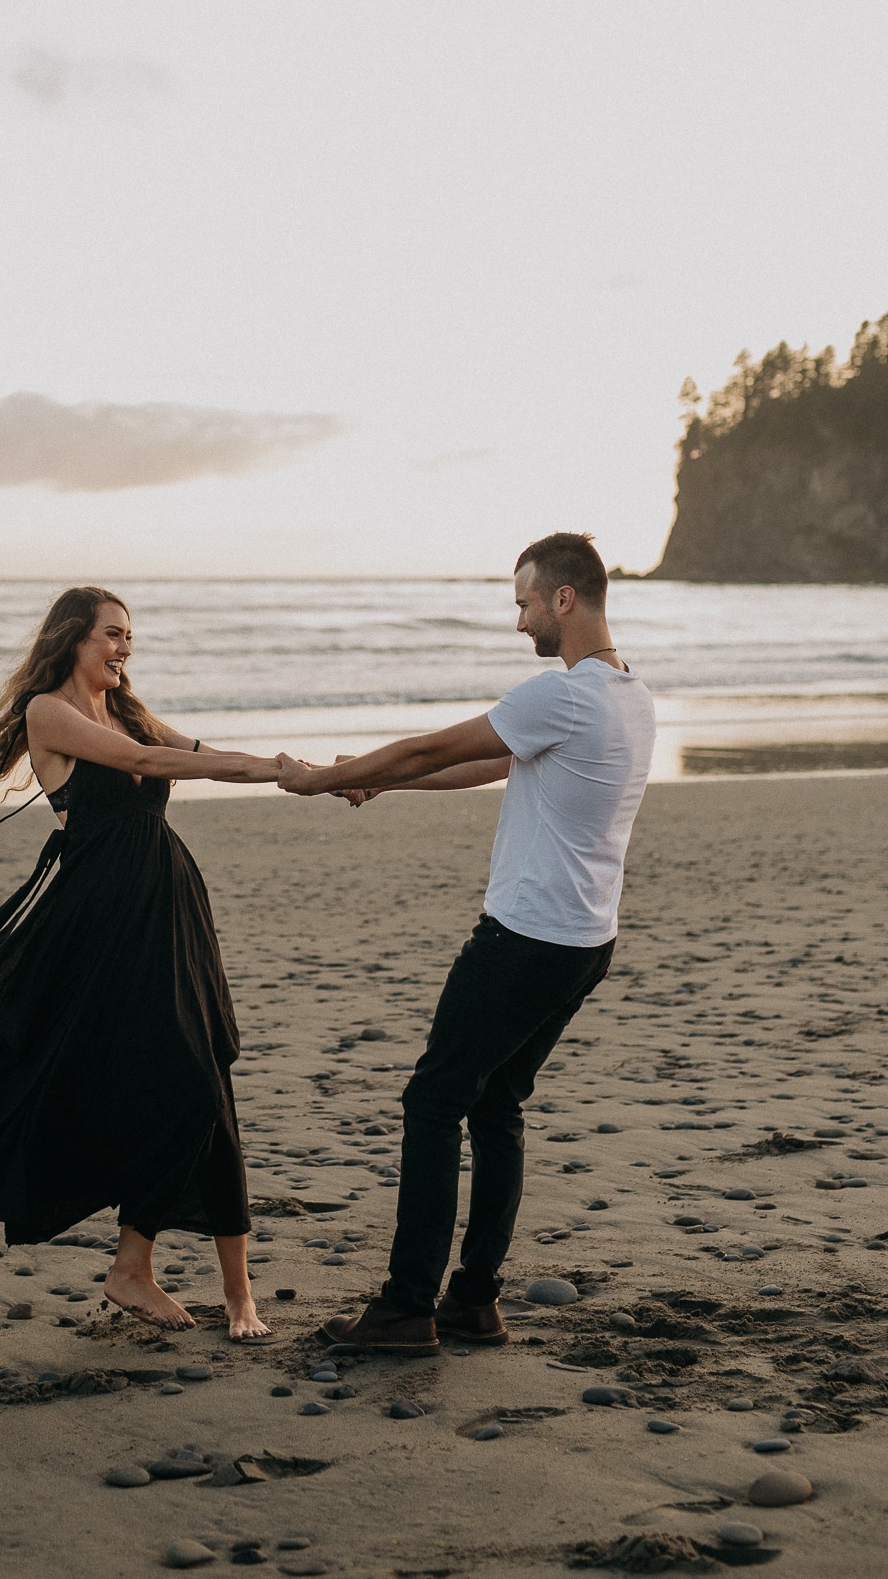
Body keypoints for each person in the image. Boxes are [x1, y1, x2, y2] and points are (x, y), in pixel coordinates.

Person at [0, 586, 281, 1341]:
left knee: (203, 1073)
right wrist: (279, 768)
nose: (123, 648)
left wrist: (308, 774)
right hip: (100, 922)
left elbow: (199, 753)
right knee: (150, 1079)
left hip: (169, 907)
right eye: (111, 634)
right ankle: (141, 1271)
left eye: (130, 637)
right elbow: (145, 762)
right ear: (72, 637)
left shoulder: (131, 713)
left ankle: (202, 1284)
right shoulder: (49, 712)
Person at [275, 533, 655, 1353]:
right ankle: (473, 1301)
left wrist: (322, 777)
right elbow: (486, 767)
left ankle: (406, 1307)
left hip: (522, 940)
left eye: (522, 602)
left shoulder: (565, 695)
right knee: (495, 1104)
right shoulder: (628, 695)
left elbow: (434, 745)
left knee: (431, 1100)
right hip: (586, 940)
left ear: (562, 598)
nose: (517, 621)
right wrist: (381, 780)